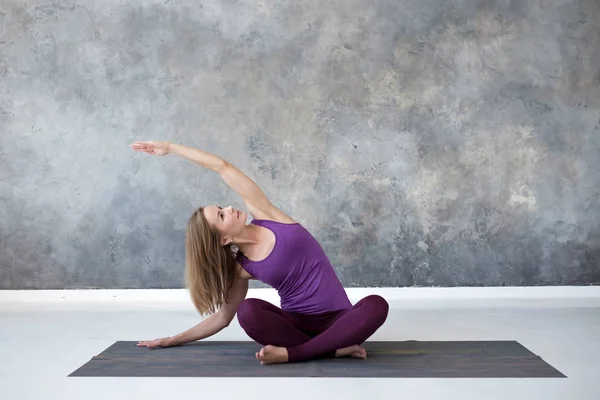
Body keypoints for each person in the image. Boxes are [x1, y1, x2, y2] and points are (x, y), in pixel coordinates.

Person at [130, 141, 389, 365]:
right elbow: (222, 318)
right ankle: (327, 349)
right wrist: (172, 339)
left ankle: (299, 354)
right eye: (222, 215)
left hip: (339, 321)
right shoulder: (241, 267)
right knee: (248, 311)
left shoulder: (267, 215)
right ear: (224, 239)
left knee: (377, 305)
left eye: (222, 207)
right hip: (296, 326)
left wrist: (171, 147)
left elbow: (222, 166)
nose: (230, 208)